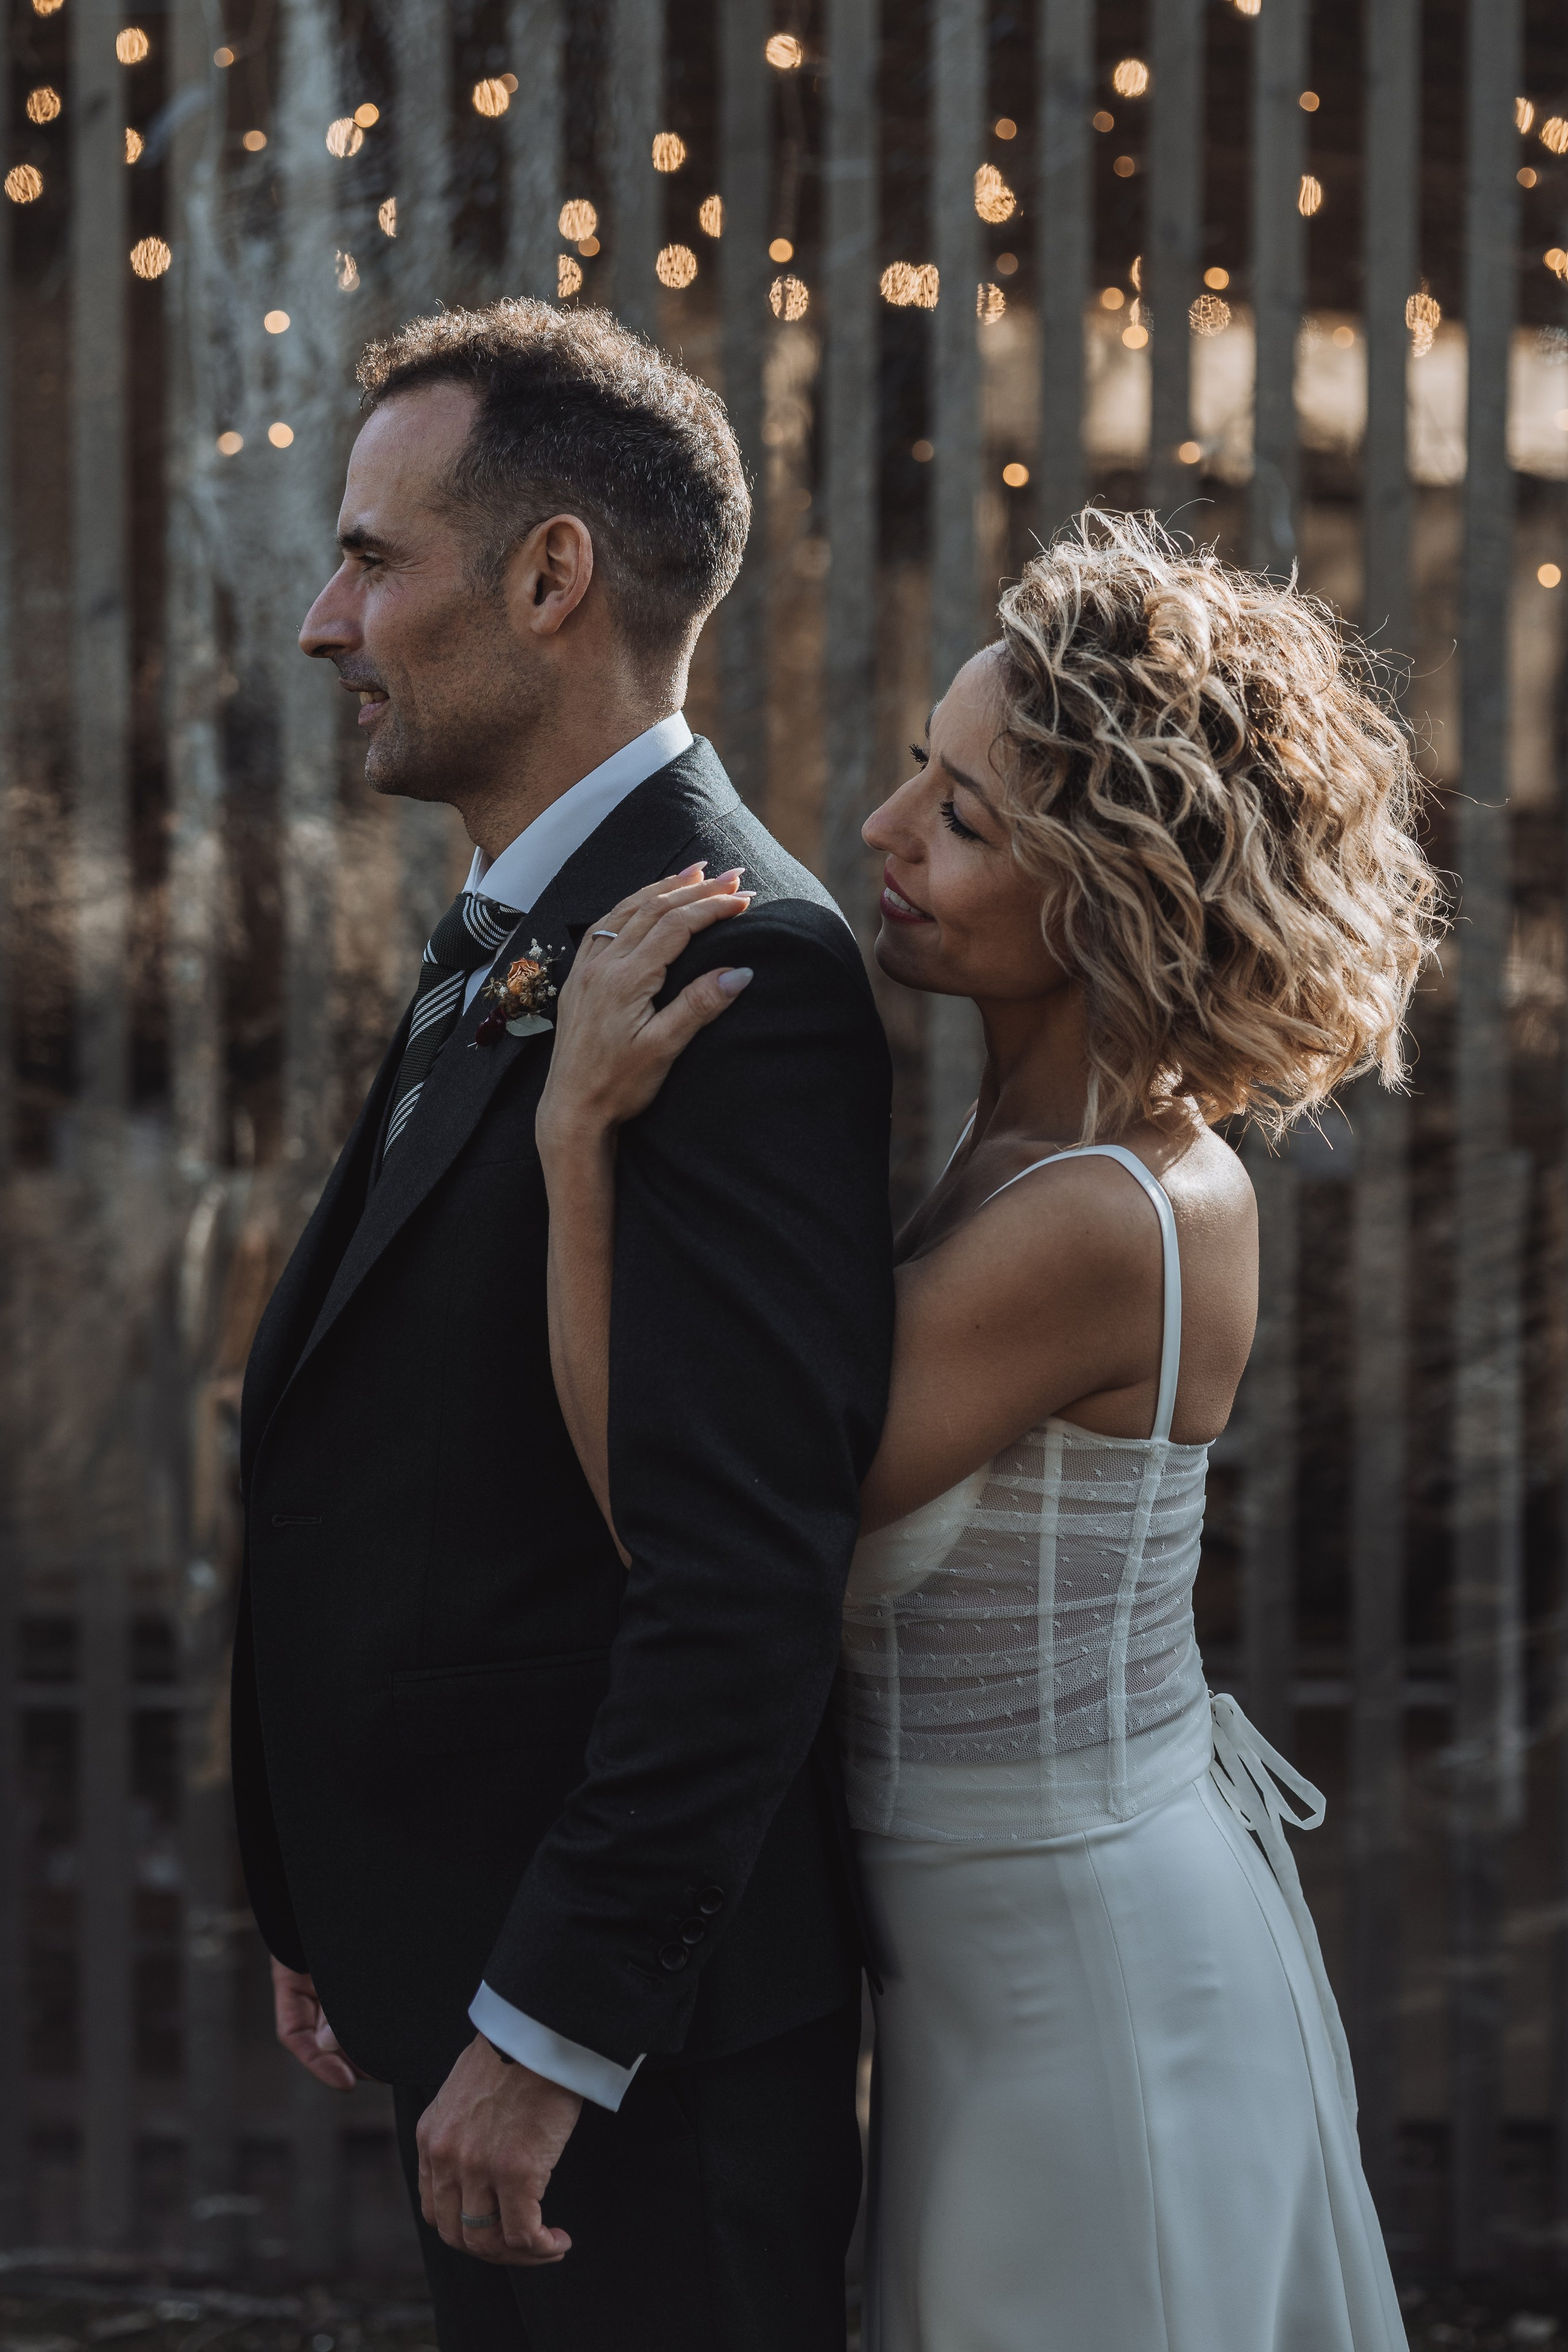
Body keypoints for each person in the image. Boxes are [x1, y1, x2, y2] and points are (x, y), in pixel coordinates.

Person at [536, 513, 1442, 2351]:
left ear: (1106, 891)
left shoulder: (1104, 1215)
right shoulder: (1017, 1147)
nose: (881, 829)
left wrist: (576, 1161)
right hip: (990, 1969)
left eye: (958, 816)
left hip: (1086, 1989)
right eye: (918, 775)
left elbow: (689, 1512)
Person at [233, 299, 895, 2352]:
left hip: (634, 2072)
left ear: (549, 578)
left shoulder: (736, 968)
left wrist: (556, 2025)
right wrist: (319, 1887)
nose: (329, 621)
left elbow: (737, 1578)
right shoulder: (533, 920)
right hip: (453, 1960)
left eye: (371, 555)